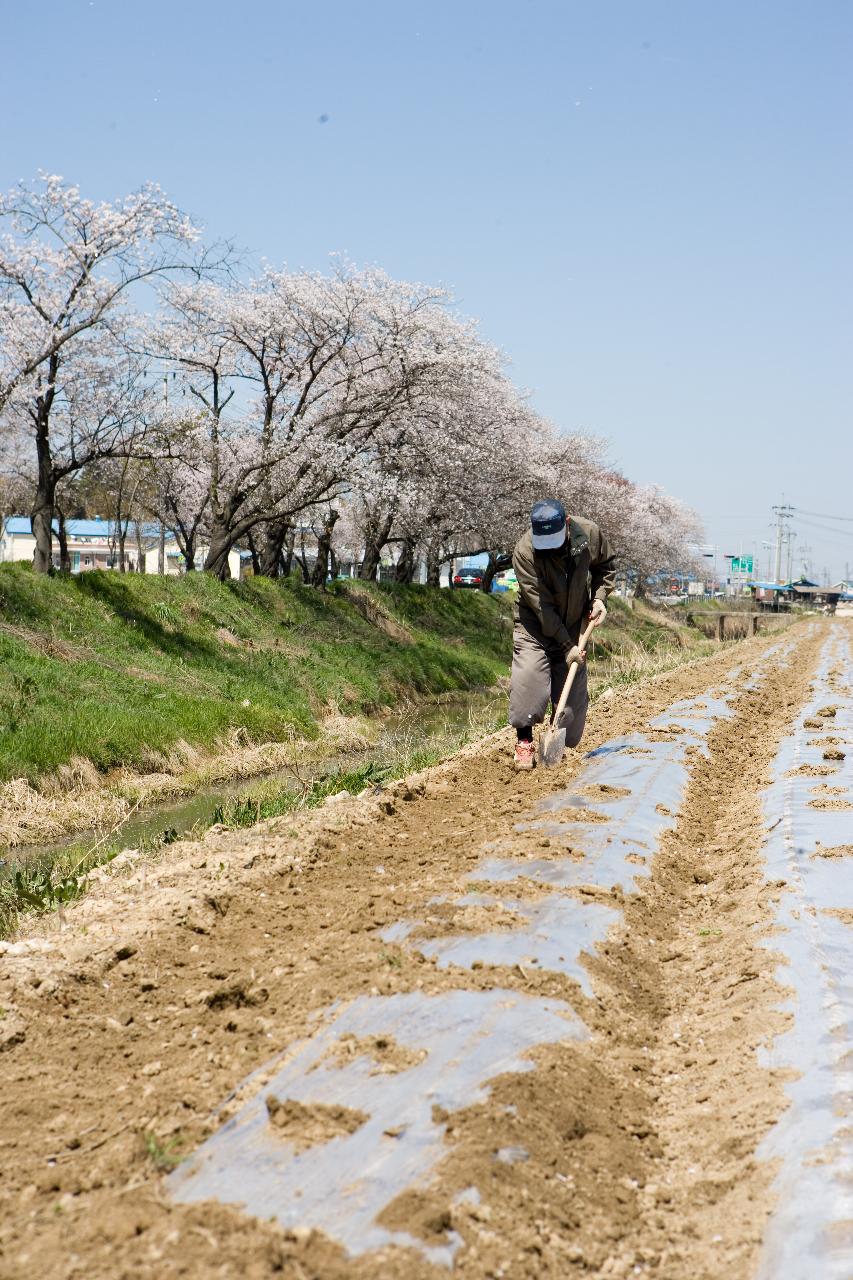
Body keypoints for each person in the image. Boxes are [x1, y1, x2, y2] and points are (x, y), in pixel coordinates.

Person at [510, 498, 615, 770]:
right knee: (529, 680)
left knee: (571, 716)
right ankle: (524, 741)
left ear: (567, 524)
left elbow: (605, 567)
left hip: (572, 624)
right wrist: (567, 646)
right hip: (535, 625)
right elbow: (541, 607)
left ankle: (557, 731)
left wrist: (600, 598)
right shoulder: (524, 552)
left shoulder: (589, 534)